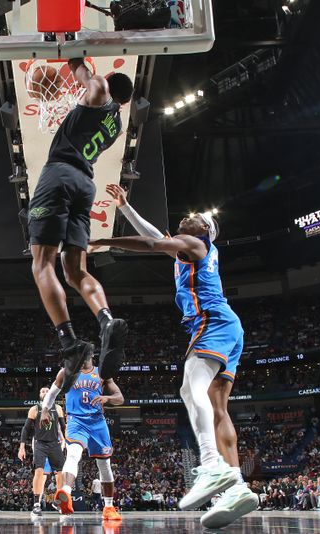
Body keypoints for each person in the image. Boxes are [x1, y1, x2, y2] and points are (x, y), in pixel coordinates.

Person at [89, 192, 257, 527]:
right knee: (217, 405)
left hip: (212, 322)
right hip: (229, 325)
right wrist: (124, 207)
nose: (188, 215)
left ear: (204, 230)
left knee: (189, 388)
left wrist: (103, 241)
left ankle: (211, 464)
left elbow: (152, 245)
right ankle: (237, 486)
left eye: (195, 216)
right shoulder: (192, 248)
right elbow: (156, 237)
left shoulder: (195, 244)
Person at [28, 57, 134, 393]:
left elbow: (82, 71)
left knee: (42, 263)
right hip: (85, 185)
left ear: (108, 81)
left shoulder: (99, 88)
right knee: (75, 271)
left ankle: (70, 343)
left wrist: (72, 50)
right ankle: (105, 320)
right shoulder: (115, 128)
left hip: (60, 173)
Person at [40, 351, 124, 521]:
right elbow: (52, 393)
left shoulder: (102, 373)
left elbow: (120, 398)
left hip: (97, 422)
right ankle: (66, 493)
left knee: (104, 464)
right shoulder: (66, 371)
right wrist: (45, 411)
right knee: (73, 454)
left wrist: (106, 398)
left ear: (91, 354)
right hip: (76, 421)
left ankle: (108, 507)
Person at [18, 386, 67, 517]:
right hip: (40, 443)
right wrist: (22, 447)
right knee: (39, 471)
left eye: (47, 391)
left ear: (51, 394)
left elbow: (63, 427)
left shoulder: (58, 408)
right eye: (42, 391)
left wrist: (69, 441)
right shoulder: (34, 409)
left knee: (61, 473)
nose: (45, 392)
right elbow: (26, 429)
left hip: (54, 443)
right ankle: (36, 504)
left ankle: (59, 502)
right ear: (39, 395)